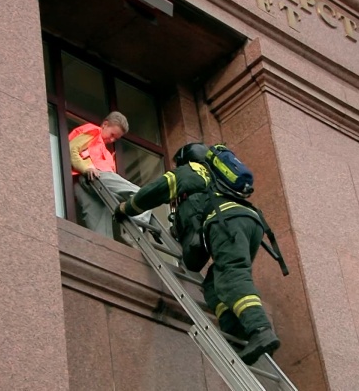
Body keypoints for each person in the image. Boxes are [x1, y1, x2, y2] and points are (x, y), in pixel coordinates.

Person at [113, 143, 281, 365]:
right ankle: (236, 331)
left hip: (227, 222)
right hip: (249, 223)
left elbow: (154, 192)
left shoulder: (190, 171)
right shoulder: (214, 177)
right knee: (215, 280)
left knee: (232, 274)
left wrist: (127, 208)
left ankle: (259, 329)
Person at [68, 111, 151, 239]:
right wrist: (86, 168)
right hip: (95, 175)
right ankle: (135, 231)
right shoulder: (94, 131)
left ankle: (103, 250)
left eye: (115, 139)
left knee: (99, 223)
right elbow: (72, 148)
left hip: (85, 182)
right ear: (105, 124)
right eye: (112, 135)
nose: (112, 140)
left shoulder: (107, 152)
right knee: (142, 195)